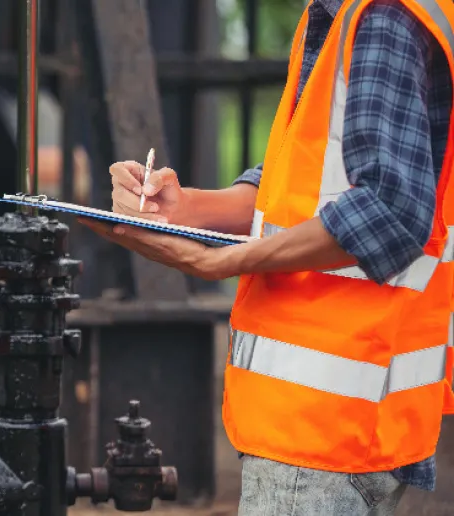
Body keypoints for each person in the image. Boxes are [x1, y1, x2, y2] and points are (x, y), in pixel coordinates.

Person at [80, 0, 454, 514]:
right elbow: (306, 188)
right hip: (332, 424)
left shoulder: (382, 15)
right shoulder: (342, 15)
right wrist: (187, 207)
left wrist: (223, 263)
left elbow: (389, 210)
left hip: (322, 426)